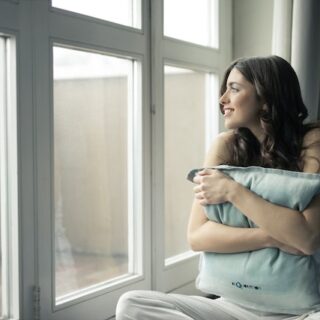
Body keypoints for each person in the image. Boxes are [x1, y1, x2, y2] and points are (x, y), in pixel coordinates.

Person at [115, 56, 320, 320]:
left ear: (265, 97)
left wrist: (232, 191)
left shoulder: (312, 141)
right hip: (231, 307)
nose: (222, 99)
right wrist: (273, 237)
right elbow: (198, 236)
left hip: (301, 312)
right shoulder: (225, 145)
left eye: (234, 89)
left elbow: (307, 238)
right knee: (131, 304)